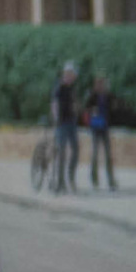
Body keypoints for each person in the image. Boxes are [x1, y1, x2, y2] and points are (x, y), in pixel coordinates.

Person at [46, 61, 82, 195]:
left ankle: (71, 178)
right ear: (66, 74)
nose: (72, 77)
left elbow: (76, 102)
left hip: (71, 122)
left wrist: (78, 108)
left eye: (73, 75)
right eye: (70, 74)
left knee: (76, 150)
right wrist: (56, 118)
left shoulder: (72, 88)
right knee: (61, 152)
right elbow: (54, 103)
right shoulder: (59, 87)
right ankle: (60, 182)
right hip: (61, 123)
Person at [85, 73, 115, 190]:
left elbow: (113, 108)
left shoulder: (108, 96)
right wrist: (93, 110)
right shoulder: (92, 96)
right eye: (100, 83)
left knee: (108, 154)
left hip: (105, 127)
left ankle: (110, 179)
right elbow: (86, 108)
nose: (102, 86)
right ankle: (94, 178)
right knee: (95, 154)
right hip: (95, 127)